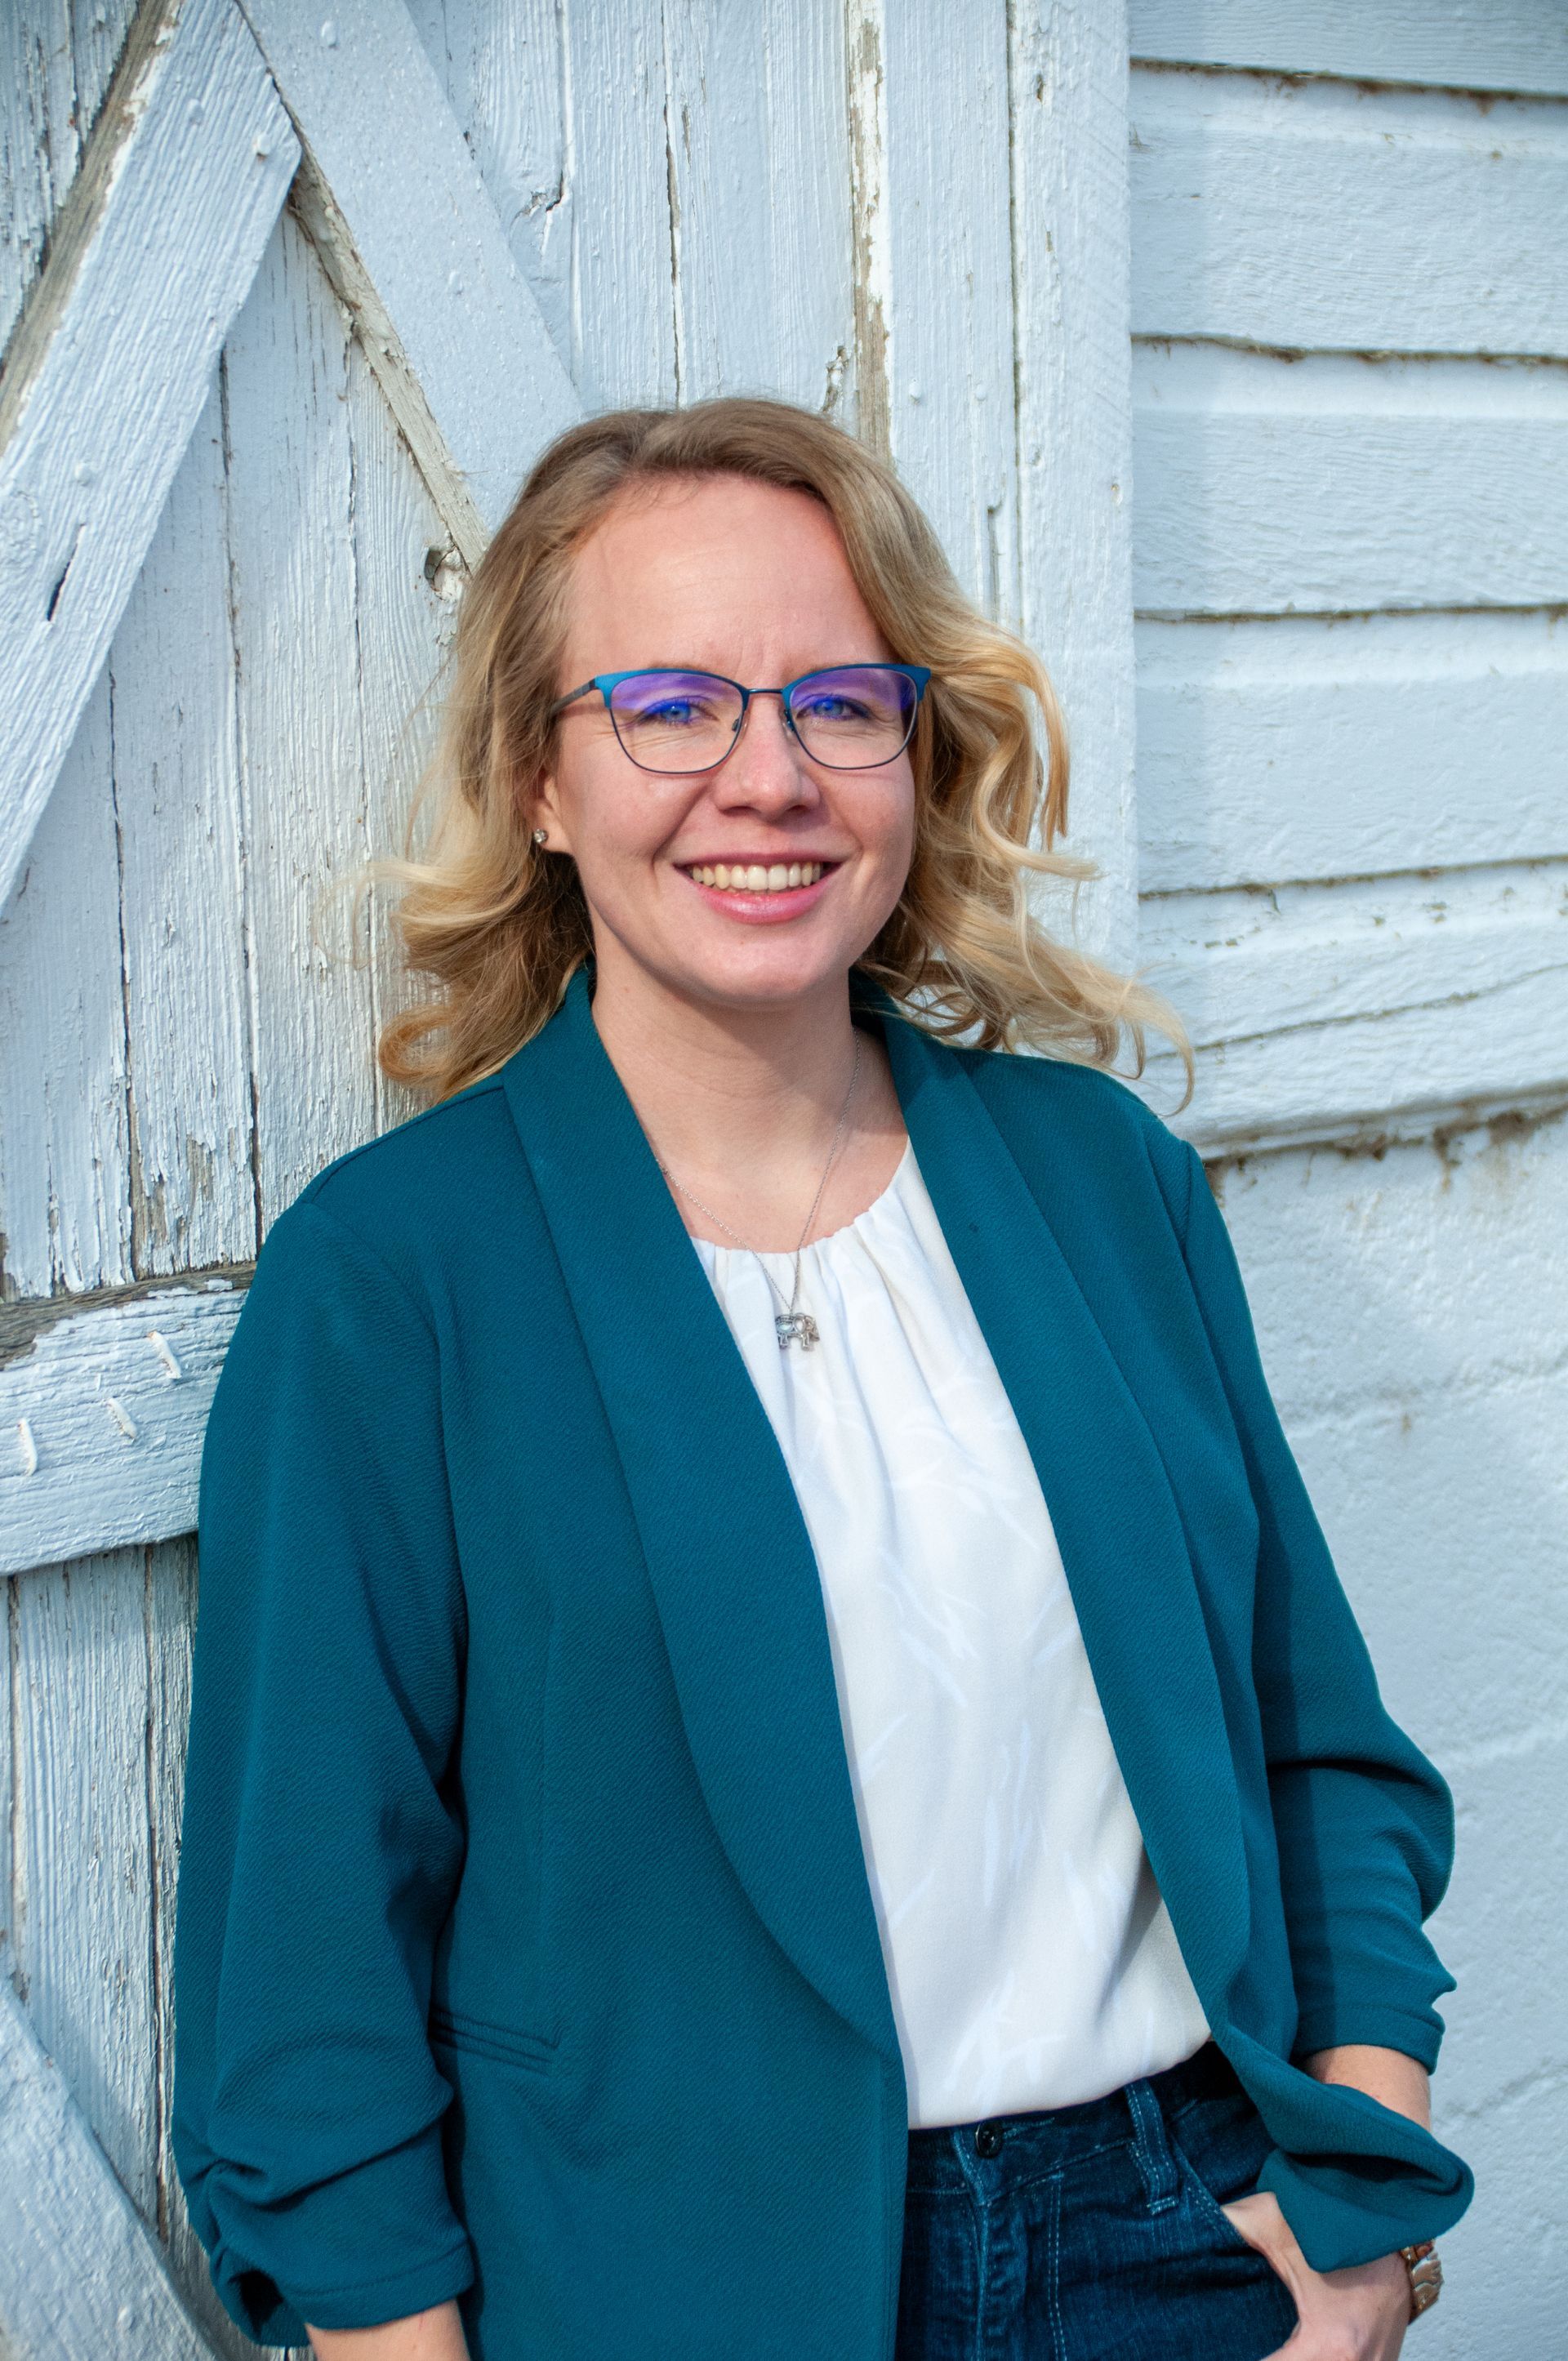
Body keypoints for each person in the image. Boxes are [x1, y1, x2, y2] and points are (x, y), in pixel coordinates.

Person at [171, 397, 1470, 2361]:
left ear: (914, 751)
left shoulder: (1103, 1187)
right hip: (665, 2294)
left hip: (1179, 2250)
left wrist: (1363, 2212)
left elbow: (1318, 1747)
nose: (765, 779)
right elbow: (305, 1973)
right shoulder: (393, 1283)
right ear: (541, 778)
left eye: (839, 704)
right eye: (671, 705)